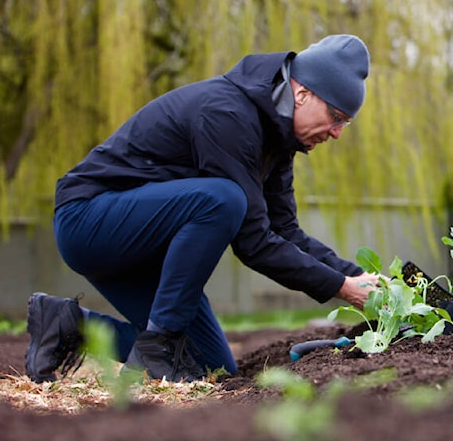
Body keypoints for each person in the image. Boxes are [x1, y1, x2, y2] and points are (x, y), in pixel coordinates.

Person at [25, 34, 380, 382]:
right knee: (223, 199)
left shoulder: (280, 140)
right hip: (89, 221)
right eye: (336, 116)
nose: (337, 133)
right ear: (302, 93)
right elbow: (253, 241)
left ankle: (68, 324)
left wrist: (356, 277)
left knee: (212, 367)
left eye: (345, 122)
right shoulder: (227, 114)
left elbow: (285, 232)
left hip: (143, 245)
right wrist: (341, 287)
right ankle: (160, 342)